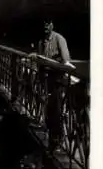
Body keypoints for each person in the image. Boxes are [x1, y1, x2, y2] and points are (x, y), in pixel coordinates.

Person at [28, 19, 71, 152]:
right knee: (47, 109)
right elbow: (40, 60)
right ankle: (51, 138)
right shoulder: (41, 41)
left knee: (56, 110)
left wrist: (54, 63)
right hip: (46, 80)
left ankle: (57, 140)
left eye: (48, 24)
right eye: (44, 24)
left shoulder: (59, 39)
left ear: (52, 25)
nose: (45, 27)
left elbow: (66, 61)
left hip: (58, 79)